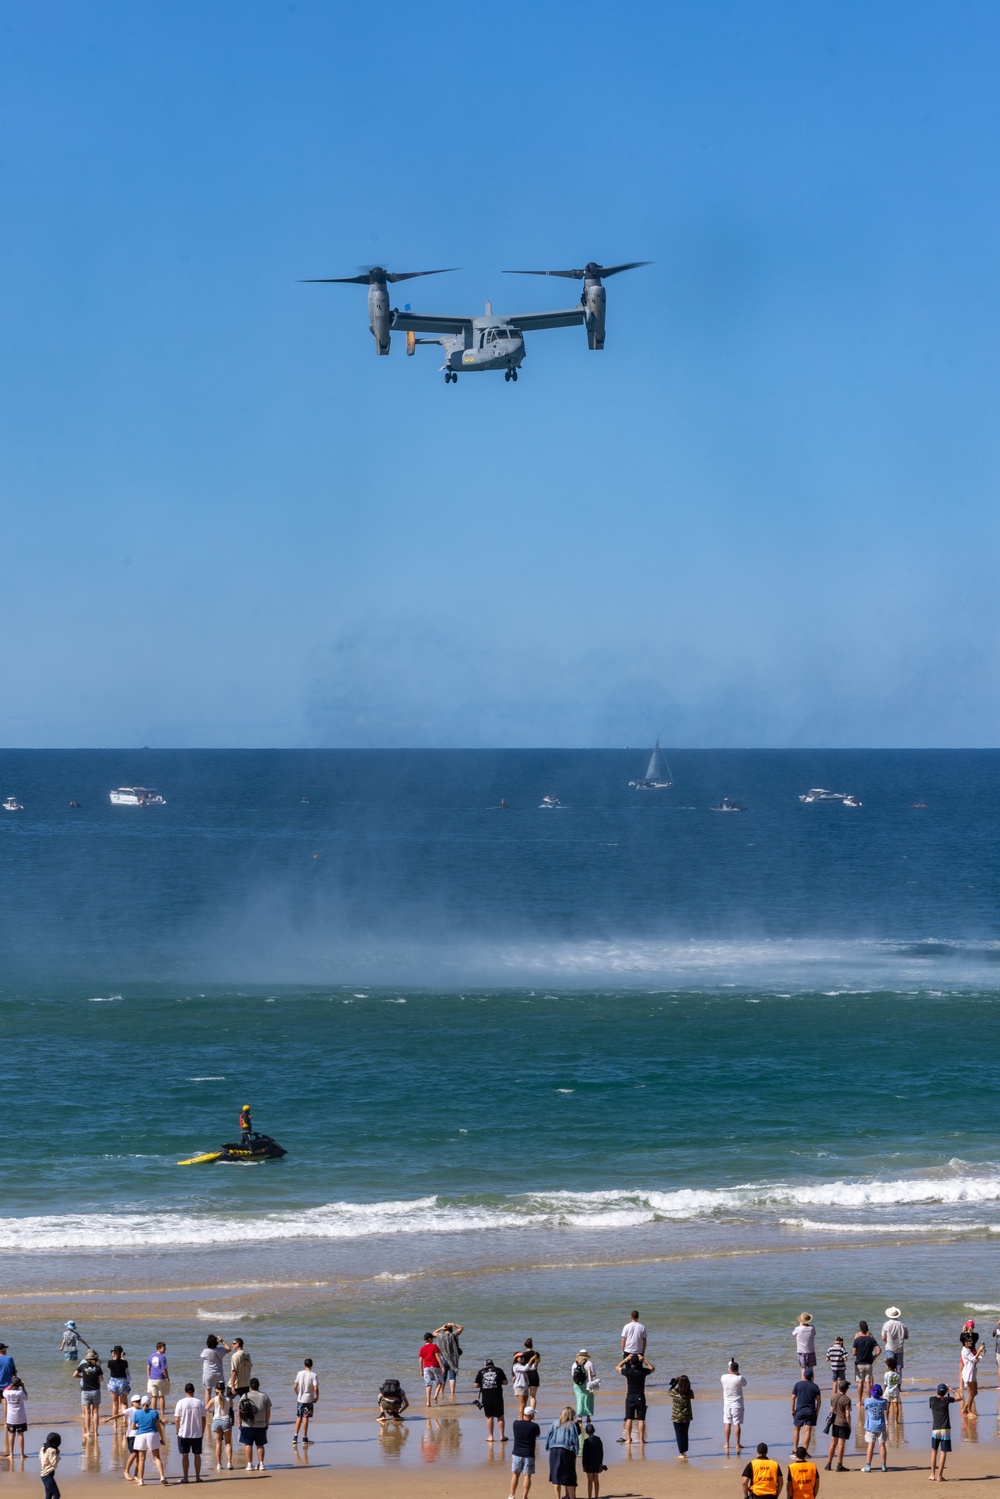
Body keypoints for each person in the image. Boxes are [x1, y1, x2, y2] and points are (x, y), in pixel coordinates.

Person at [616, 1351, 654, 1445]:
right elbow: (652, 1368)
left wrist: (626, 1359)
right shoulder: (642, 1372)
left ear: (631, 1363)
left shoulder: (628, 1372)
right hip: (640, 1396)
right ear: (640, 1362)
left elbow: (617, 1367)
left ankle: (628, 1439)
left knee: (629, 1419)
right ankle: (641, 1439)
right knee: (641, 1419)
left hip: (630, 1397)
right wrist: (644, 1360)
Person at [173, 1381, 206, 1483]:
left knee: (185, 1455)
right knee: (197, 1455)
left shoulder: (180, 1402)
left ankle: (186, 1477)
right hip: (197, 1433)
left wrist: (177, 1431)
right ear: (194, 1391)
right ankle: (197, 1477)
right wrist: (202, 1431)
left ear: (185, 1391)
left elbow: (177, 1419)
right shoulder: (199, 1402)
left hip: (184, 1433)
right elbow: (204, 1419)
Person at [545, 1407, 580, 1499]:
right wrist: (576, 1451)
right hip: (566, 1451)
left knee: (556, 1476)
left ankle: (558, 1497)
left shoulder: (554, 1423)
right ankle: (572, 1497)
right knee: (569, 1476)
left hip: (554, 1451)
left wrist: (548, 1447)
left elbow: (549, 1436)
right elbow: (574, 1439)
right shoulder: (571, 1425)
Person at [132, 1395, 167, 1486]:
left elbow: (133, 1427)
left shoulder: (137, 1413)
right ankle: (162, 1476)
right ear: (150, 1403)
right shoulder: (154, 1412)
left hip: (141, 1436)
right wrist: (162, 1438)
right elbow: (158, 1426)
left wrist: (140, 1426)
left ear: (141, 1403)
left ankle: (141, 1480)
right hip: (152, 1434)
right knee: (156, 1457)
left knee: (141, 1459)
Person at [237, 1377, 271, 1471]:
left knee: (248, 1444)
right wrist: (267, 1422)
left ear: (250, 1386)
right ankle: (261, 1464)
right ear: (258, 1385)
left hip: (247, 1424)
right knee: (260, 1445)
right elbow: (268, 1411)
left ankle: (249, 1464)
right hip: (261, 1425)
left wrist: (239, 1422)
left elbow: (239, 1410)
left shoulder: (245, 1396)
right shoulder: (264, 1396)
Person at [510, 1402, 541, 1499]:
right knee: (527, 1476)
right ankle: (524, 1497)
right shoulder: (534, 1426)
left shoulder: (515, 1424)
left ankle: (512, 1495)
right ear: (531, 1415)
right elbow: (538, 1435)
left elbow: (519, 1420)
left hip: (517, 1453)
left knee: (515, 1474)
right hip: (528, 1454)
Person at [929, 1382, 958, 1482]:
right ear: (945, 1392)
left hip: (935, 1428)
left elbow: (934, 1401)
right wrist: (951, 1389)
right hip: (945, 1429)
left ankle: (932, 1474)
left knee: (934, 1452)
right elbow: (960, 1397)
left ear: (937, 1391)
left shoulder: (932, 1400)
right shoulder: (947, 1400)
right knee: (943, 1452)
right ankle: (939, 1476)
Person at [474, 1358, 508, 1443]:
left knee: (489, 1417)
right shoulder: (499, 1370)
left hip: (486, 1397)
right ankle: (502, 1436)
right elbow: (506, 1382)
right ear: (493, 1364)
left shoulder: (481, 1371)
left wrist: (484, 1384)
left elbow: (476, 1385)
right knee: (500, 1416)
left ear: (485, 1365)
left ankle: (491, 1436)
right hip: (498, 1397)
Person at [791, 1367, 821, 1457]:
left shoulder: (798, 1385)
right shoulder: (815, 1386)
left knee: (796, 1429)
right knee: (807, 1431)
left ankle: (795, 1450)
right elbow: (819, 1401)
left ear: (804, 1376)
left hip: (799, 1410)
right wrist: (817, 1412)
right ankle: (805, 1451)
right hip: (810, 1411)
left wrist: (792, 1409)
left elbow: (793, 1398)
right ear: (812, 1377)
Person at [75, 1349, 104, 1439]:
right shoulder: (98, 1367)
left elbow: (74, 1374)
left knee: (87, 1413)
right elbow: (101, 1378)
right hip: (95, 1390)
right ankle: (96, 1432)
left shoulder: (83, 1366)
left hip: (85, 1391)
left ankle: (88, 1432)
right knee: (95, 1412)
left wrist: (82, 1376)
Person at [861, 1382, 888, 1473]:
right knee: (882, 1445)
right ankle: (883, 1465)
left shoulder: (868, 1401)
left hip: (871, 1426)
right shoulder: (884, 1401)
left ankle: (868, 1465)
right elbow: (885, 1409)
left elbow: (865, 1408)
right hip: (881, 1426)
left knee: (870, 1445)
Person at [722, 1358, 747, 1456]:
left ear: (729, 1369)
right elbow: (745, 1383)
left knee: (727, 1423)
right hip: (737, 1405)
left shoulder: (723, 1377)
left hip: (727, 1404)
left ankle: (727, 1443)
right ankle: (737, 1444)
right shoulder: (739, 1378)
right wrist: (738, 1374)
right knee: (737, 1424)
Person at [824, 1380, 851, 1471]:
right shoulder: (847, 1399)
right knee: (841, 1444)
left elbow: (831, 1410)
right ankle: (839, 1465)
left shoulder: (833, 1396)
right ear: (846, 1389)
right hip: (843, 1423)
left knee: (833, 1443)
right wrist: (849, 1425)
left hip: (834, 1422)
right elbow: (847, 1414)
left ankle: (828, 1463)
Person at [207, 1382, 234, 1470]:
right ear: (224, 1390)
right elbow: (231, 1410)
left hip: (216, 1421)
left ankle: (219, 1464)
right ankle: (229, 1463)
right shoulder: (229, 1400)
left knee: (218, 1444)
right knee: (228, 1443)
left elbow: (205, 1409)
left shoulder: (213, 1399)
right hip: (226, 1421)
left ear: (216, 1390)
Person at [852, 1323, 880, 1404]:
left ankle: (859, 1401)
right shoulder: (871, 1338)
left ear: (860, 1329)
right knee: (868, 1382)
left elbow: (853, 1353)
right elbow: (879, 1350)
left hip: (859, 1363)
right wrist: (874, 1357)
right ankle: (869, 1400)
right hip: (868, 1363)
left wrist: (859, 1353)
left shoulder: (857, 1339)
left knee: (860, 1382)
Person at [434, 1323, 464, 1398]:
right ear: (451, 1329)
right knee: (452, 1377)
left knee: (443, 1376)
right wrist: (453, 1324)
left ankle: (441, 1392)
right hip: (453, 1359)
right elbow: (461, 1327)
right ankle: (452, 1393)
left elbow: (433, 1333)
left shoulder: (440, 1336)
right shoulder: (453, 1335)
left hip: (443, 1358)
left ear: (444, 1329)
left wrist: (441, 1328)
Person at [199, 1336, 231, 1407]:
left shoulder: (205, 1351)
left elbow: (202, 1356)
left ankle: (207, 1410)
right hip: (219, 1374)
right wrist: (222, 1341)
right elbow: (229, 1349)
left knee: (208, 1392)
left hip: (208, 1374)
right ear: (216, 1343)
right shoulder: (220, 1350)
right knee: (220, 1391)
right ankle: (221, 1407)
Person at [293, 1358, 318, 1444]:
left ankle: (295, 1437)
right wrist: (317, 1396)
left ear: (304, 1365)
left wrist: (298, 1394)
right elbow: (316, 1388)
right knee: (305, 1417)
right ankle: (304, 1438)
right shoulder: (313, 1375)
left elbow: (295, 1386)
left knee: (299, 1417)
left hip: (300, 1398)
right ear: (311, 1365)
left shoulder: (299, 1373)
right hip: (308, 1399)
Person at [3, 1376, 28, 1460]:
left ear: (12, 1384)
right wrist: (23, 1386)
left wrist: (10, 1385)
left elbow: (4, 1391)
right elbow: (26, 1397)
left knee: (11, 1435)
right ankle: (22, 1454)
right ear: (19, 1385)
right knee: (20, 1435)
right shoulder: (21, 1392)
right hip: (20, 1417)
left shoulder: (7, 1393)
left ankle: (11, 1454)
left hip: (11, 1418)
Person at [670, 1374, 694, 1460]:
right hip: (687, 1416)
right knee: (685, 1434)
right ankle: (685, 1451)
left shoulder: (674, 1392)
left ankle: (682, 1452)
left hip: (676, 1417)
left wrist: (674, 1383)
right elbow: (691, 1397)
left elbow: (669, 1392)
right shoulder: (689, 1392)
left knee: (679, 1434)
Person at [581, 1422, 605, 1499]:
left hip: (588, 1463)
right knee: (596, 1480)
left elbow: (584, 1454)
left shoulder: (586, 1441)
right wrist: (601, 1463)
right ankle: (596, 1496)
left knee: (590, 1481)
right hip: (597, 1462)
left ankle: (589, 1497)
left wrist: (583, 1465)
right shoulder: (598, 1439)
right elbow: (601, 1452)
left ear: (586, 1432)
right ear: (594, 1430)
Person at [419, 1333, 444, 1407]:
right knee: (440, 1382)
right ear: (429, 1339)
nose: (433, 1340)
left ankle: (428, 1402)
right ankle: (435, 1395)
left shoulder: (422, 1348)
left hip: (426, 1368)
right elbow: (437, 1356)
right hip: (435, 1366)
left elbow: (420, 1360)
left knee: (428, 1384)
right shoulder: (434, 1346)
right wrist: (442, 1366)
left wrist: (421, 1370)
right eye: (432, 1338)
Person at [571, 1351, 597, 1422]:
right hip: (587, 1384)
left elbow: (573, 1375)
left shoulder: (574, 1364)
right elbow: (594, 1374)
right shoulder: (589, 1363)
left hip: (577, 1385)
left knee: (579, 1400)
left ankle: (580, 1417)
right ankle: (588, 1417)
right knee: (588, 1399)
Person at [960, 1336, 983, 1414]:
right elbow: (973, 1359)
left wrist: (982, 1352)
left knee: (975, 1392)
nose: (971, 1342)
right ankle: (969, 1411)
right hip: (968, 1374)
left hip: (972, 1372)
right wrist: (979, 1350)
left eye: (971, 1340)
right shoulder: (965, 1351)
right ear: (965, 1342)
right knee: (971, 1393)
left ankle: (964, 1409)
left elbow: (976, 1360)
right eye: (969, 1341)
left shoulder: (969, 1350)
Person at [107, 1346, 131, 1418]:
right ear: (121, 1353)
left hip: (113, 1382)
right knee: (124, 1403)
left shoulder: (110, 1362)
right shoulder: (124, 1362)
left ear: (114, 1352)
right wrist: (122, 1357)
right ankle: (124, 1419)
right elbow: (125, 1367)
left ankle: (115, 1423)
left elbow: (114, 1362)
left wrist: (114, 1356)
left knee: (115, 1404)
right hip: (122, 1382)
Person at [147, 1343, 169, 1416]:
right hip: (160, 1378)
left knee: (154, 1396)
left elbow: (148, 1367)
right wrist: (167, 1378)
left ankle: (153, 1412)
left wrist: (149, 1376)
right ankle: (162, 1413)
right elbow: (164, 1370)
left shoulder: (151, 1356)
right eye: (164, 1348)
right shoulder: (162, 1357)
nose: (165, 1349)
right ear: (159, 1348)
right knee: (161, 1396)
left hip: (152, 1378)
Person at [39, 1432, 61, 1499]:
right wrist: (57, 1454)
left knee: (49, 1494)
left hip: (44, 1474)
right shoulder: (52, 1450)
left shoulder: (43, 1448)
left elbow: (40, 1457)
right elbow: (53, 1462)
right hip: (48, 1475)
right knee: (56, 1495)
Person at [882, 1357, 902, 1422]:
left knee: (887, 1406)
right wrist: (899, 1390)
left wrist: (884, 1391)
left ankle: (887, 1421)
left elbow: (885, 1384)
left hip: (888, 1391)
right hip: (895, 1391)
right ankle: (896, 1420)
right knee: (896, 1406)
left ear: (889, 1366)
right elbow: (899, 1383)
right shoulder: (898, 1374)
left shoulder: (886, 1374)